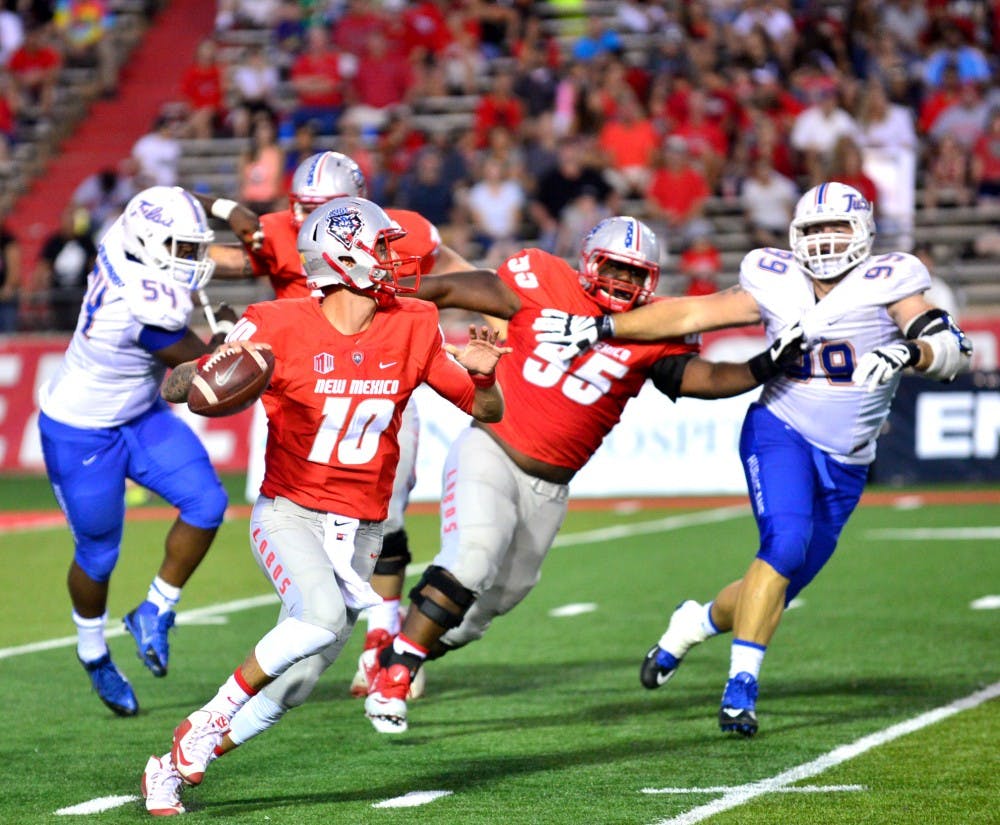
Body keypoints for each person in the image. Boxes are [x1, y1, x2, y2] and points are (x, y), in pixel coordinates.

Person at [533, 183, 974, 737]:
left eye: (837, 228)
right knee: (784, 546)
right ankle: (741, 687)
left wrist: (911, 350)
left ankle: (690, 624)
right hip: (780, 429)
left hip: (848, 460)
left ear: (863, 232)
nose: (826, 240)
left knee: (776, 583)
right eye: (815, 230)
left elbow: (949, 348)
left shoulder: (891, 280)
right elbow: (697, 310)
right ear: (796, 235)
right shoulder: (775, 274)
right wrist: (603, 326)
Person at [359, 215, 811, 734]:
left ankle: (399, 651)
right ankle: (394, 680)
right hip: (492, 448)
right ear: (590, 260)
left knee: (488, 608)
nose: (622, 281)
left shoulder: (657, 323)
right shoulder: (541, 277)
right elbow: (479, 286)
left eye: (633, 272)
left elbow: (700, 378)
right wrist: (413, 290)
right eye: (614, 267)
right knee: (472, 558)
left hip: (550, 487)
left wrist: (764, 367)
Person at [139, 196, 510, 815]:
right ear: (343, 257)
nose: (399, 258)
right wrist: (205, 372)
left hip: (362, 530)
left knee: (297, 684)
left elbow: (486, 412)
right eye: (384, 247)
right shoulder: (276, 322)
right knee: (320, 618)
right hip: (291, 511)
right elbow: (181, 387)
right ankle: (202, 724)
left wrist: (486, 375)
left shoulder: (414, 322)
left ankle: (167, 770)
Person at [36, 186, 235, 718]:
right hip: (81, 431)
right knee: (99, 556)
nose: (191, 260)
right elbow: (208, 376)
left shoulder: (127, 234)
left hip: (141, 414)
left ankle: (156, 610)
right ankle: (92, 650)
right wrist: (233, 344)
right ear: (150, 242)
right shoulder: (140, 306)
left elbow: (170, 198)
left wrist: (221, 208)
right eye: (182, 249)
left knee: (207, 505)